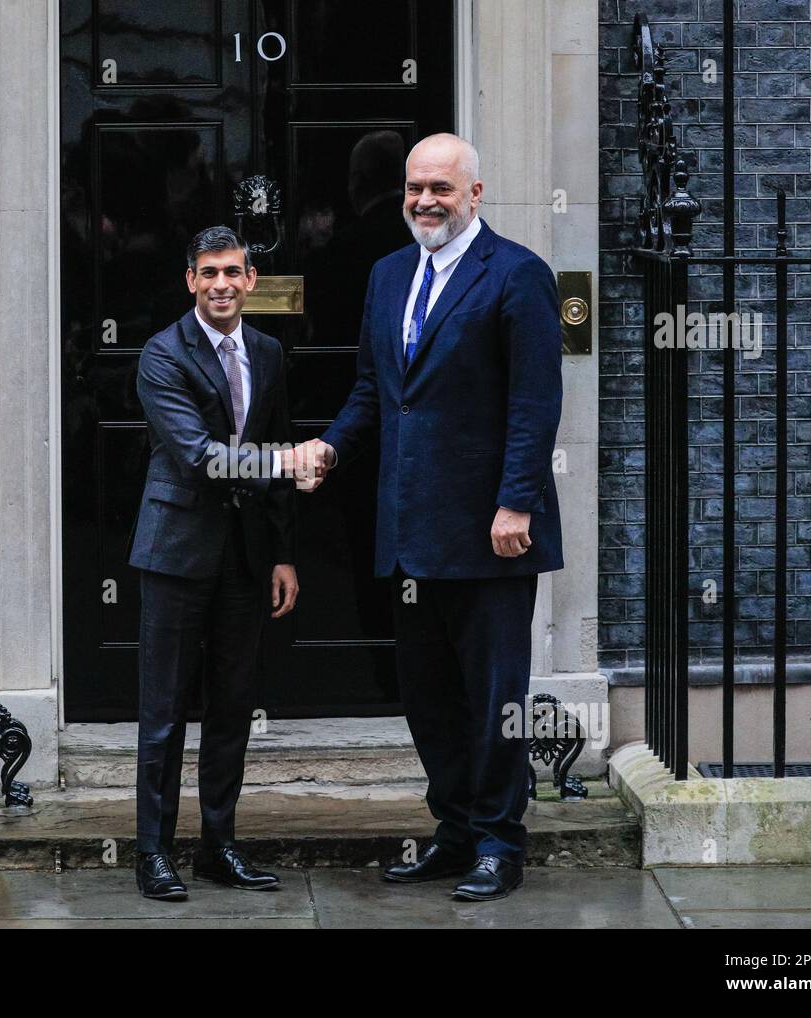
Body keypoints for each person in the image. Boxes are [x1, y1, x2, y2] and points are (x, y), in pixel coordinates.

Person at [295, 133, 564, 902]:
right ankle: (453, 830)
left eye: (441, 188)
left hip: (490, 531)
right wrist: (331, 450)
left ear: (475, 194)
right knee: (428, 696)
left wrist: (517, 500)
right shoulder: (387, 276)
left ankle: (498, 841)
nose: (424, 201)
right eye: (416, 187)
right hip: (408, 529)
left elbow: (535, 403)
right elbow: (374, 392)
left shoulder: (517, 275)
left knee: (493, 697)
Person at [127, 225, 309, 900]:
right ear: (191, 281)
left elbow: (277, 446)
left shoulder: (266, 350)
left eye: (233, 272)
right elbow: (201, 456)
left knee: (231, 707)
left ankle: (217, 846)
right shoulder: (161, 355)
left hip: (244, 557)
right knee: (165, 711)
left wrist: (283, 554)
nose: (222, 284)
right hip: (175, 552)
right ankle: (152, 853)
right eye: (209, 273)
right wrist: (284, 462)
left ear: (252, 280)